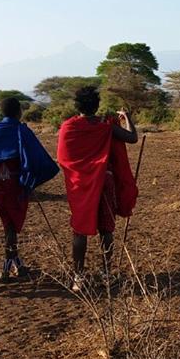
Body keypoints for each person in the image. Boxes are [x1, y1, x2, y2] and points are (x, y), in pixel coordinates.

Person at [57, 86, 138, 288]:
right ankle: (106, 274)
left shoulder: (69, 127)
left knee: (80, 229)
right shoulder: (106, 125)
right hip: (105, 181)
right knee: (106, 228)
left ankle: (79, 277)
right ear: (97, 105)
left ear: (77, 106)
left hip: (80, 184)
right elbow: (132, 138)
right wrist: (127, 117)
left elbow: (63, 158)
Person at [0, 97, 60, 282]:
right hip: (17, 185)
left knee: (9, 224)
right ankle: (6, 269)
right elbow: (36, 157)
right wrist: (30, 179)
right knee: (11, 226)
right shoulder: (22, 131)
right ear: (19, 112)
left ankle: (18, 265)